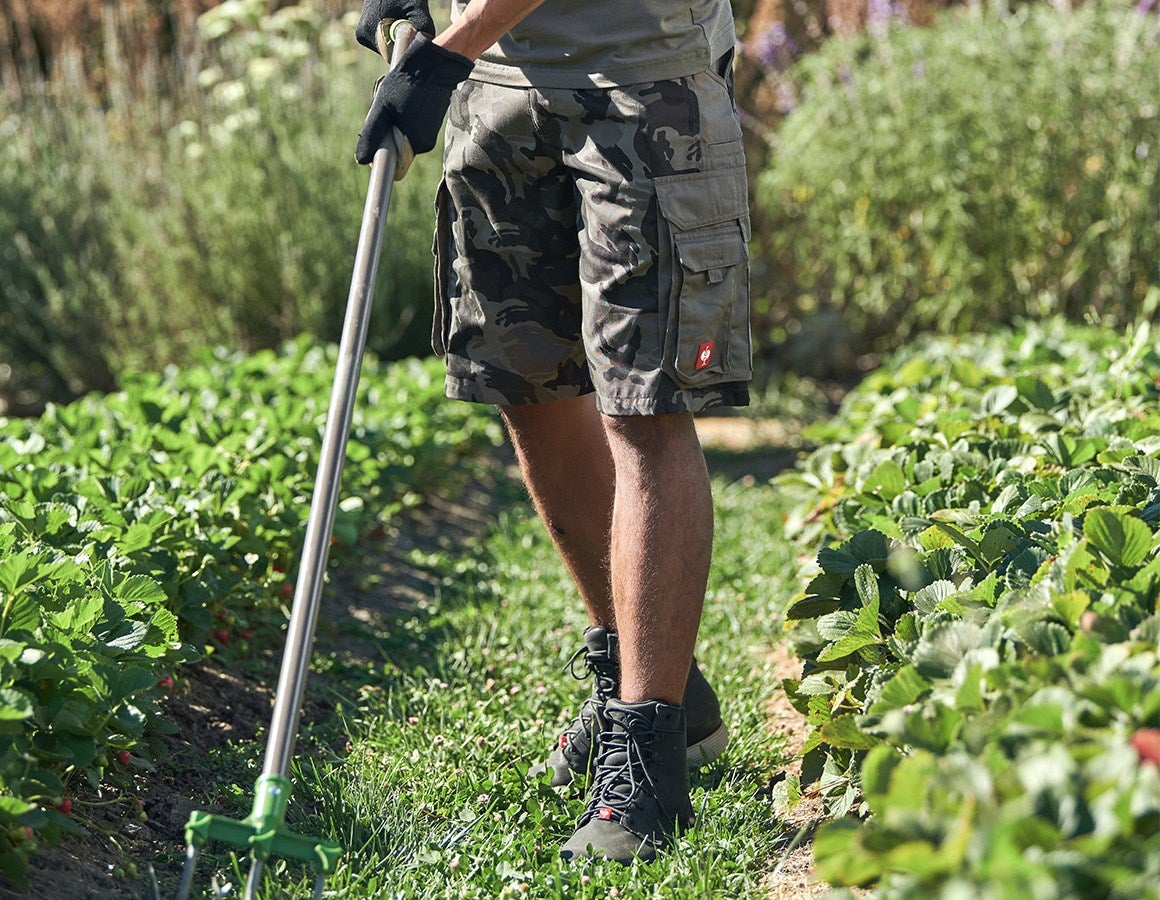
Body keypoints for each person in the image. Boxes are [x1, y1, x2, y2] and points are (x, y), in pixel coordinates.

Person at [354, 0, 752, 864]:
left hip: (644, 82)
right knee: (526, 388)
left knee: (643, 406)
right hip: (499, 88)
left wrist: (442, 55)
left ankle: (648, 755)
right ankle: (639, 687)